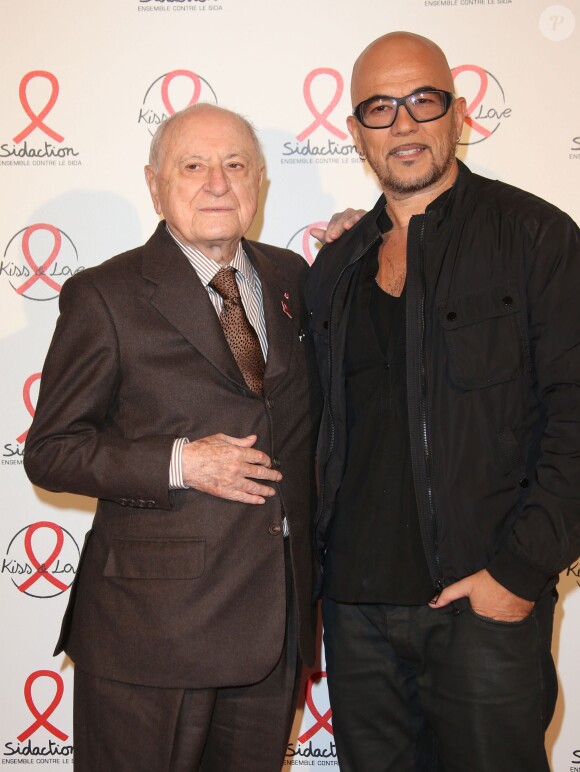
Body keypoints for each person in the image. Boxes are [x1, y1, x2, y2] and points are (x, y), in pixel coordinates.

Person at [305, 31, 580, 772]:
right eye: (380, 107)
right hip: (355, 613)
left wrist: (519, 573)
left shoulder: (536, 237)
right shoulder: (333, 269)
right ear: (355, 131)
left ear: (456, 113)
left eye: (423, 100)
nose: (404, 123)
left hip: (479, 604)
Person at [24, 103, 321, 772]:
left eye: (235, 165)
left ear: (261, 183)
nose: (218, 182)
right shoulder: (105, 295)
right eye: (194, 166)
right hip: (150, 637)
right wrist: (182, 462)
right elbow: (51, 450)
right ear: (156, 184)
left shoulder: (294, 280)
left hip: (272, 629)